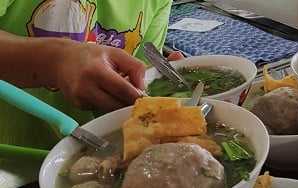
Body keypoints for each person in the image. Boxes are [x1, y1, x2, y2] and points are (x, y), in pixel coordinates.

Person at [0, 0, 173, 149]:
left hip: (98, 155)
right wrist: (56, 61)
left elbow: (138, 76)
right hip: (12, 166)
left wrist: (166, 87)